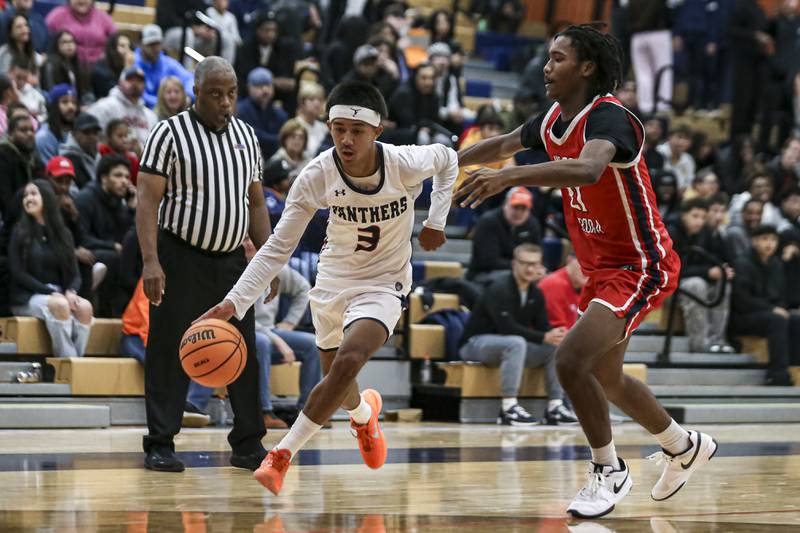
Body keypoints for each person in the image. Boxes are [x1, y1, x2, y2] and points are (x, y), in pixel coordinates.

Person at [455, 24, 717, 518]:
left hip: (640, 264)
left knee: (571, 361)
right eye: (548, 58)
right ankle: (683, 446)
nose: (546, 67)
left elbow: (586, 169)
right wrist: (442, 164)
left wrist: (509, 177)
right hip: (601, 269)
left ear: (587, 67)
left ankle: (609, 470)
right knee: (606, 376)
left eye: (557, 58)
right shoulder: (554, 117)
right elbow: (503, 143)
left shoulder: (612, 120)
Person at [197, 80, 458, 495]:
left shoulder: (404, 162)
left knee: (350, 359)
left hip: (384, 282)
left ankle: (280, 455)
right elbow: (276, 249)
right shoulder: (316, 175)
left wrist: (436, 221)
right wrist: (233, 304)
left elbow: (448, 160)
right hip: (333, 281)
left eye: (356, 131)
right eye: (338, 129)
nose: (346, 139)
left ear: (377, 131)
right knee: (338, 381)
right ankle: (362, 417)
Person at [136, 57, 271, 473]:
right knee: (167, 351)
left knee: (242, 350)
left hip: (232, 262)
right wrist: (151, 262)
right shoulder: (168, 134)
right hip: (180, 257)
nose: (225, 103)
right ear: (197, 92)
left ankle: (248, 444)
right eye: (215, 94)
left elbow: (256, 202)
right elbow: (146, 201)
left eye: (231, 94)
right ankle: (160, 442)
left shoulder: (248, 136)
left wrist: (267, 261)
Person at [459, 243, 578, 426]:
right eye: (525, 263)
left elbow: (542, 328)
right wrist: (542, 336)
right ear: (514, 263)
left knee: (554, 346)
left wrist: (554, 334)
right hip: (475, 344)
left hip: (511, 347)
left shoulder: (536, 294)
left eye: (534, 264)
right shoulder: (499, 288)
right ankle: (508, 408)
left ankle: (555, 406)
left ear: (540, 266)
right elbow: (506, 327)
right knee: (516, 342)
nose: (530, 268)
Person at [8, 180, 93, 357]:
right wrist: (49, 292)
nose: (28, 198)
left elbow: (75, 274)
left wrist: (71, 291)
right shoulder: (19, 231)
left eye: (33, 194)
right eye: (25, 195)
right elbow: (17, 273)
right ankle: (70, 364)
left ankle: (74, 364)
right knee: (61, 305)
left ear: (46, 198)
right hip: (27, 296)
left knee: (85, 308)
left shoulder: (64, 234)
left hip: (59, 294)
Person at [730, 224, 800, 385]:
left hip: (767, 314)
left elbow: (782, 295)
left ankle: (795, 371)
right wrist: (773, 309)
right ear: (754, 241)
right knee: (777, 320)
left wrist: (783, 309)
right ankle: (777, 374)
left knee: (795, 320)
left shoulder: (776, 264)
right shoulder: (742, 263)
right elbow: (742, 301)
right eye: (764, 239)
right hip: (742, 317)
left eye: (773, 240)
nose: (769, 244)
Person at [667, 198, 735, 353]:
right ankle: (699, 343)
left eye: (703, 217)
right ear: (684, 215)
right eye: (695, 216)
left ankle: (718, 340)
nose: (699, 221)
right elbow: (672, 270)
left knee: (723, 283)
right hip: (666, 286)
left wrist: (721, 270)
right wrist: (707, 272)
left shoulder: (705, 232)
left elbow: (716, 259)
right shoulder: (670, 231)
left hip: (690, 281)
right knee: (696, 284)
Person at [75, 154, 135, 317]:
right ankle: (106, 313)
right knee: (114, 258)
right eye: (118, 175)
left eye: (127, 177)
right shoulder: (85, 198)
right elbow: (81, 239)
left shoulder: (119, 203)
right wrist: (112, 246)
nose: (124, 181)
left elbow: (127, 239)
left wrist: (132, 210)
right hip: (83, 255)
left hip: (109, 255)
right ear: (104, 178)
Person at [467, 187, 542, 284]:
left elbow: (538, 252)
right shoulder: (488, 221)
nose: (518, 213)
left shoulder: (532, 224)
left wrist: (538, 268)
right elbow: (488, 261)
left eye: (523, 209)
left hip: (520, 270)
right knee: (511, 280)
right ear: (505, 204)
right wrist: (522, 267)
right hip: (483, 274)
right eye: (515, 207)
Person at [88, 66, 158, 150]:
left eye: (139, 81)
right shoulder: (104, 107)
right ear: (120, 82)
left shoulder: (150, 116)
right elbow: (91, 136)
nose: (135, 84)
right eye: (130, 80)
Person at [134, 24, 194, 110]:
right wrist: (164, 103)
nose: (155, 48)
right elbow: (137, 93)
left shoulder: (168, 62)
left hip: (168, 110)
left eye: (157, 43)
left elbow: (189, 79)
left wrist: (187, 96)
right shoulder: (134, 63)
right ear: (141, 45)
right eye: (150, 44)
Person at [237, 67, 288, 162]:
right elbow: (251, 137)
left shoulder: (279, 113)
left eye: (268, 85)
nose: (265, 90)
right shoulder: (240, 110)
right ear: (249, 88)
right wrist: (277, 140)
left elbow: (285, 137)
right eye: (259, 86)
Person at [44, 0, 116, 66]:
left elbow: (115, 42)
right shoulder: (56, 16)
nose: (82, 1)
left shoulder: (104, 18)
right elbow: (45, 43)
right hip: (65, 66)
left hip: (99, 67)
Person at [0, 113, 42, 216]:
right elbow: (6, 199)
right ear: (10, 135)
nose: (29, 134)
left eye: (32, 130)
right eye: (23, 130)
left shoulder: (32, 155)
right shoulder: (3, 156)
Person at [538, 252, 588, 330]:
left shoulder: (585, 286)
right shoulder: (554, 284)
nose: (588, 270)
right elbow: (559, 329)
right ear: (570, 260)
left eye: (594, 266)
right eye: (585, 263)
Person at [40, 30, 92, 102]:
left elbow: (85, 92)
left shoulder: (77, 65)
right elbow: (51, 91)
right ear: (57, 45)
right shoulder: (51, 63)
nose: (69, 45)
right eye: (64, 42)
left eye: (71, 41)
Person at [36, 84, 77, 165]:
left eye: (74, 102)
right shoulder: (44, 137)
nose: (71, 107)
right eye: (65, 102)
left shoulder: (76, 131)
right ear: (54, 106)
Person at [59, 112, 101, 188]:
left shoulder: (98, 152)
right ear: (74, 133)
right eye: (86, 132)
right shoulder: (67, 159)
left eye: (95, 133)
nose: (92, 137)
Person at [98, 119, 140, 185]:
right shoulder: (101, 151)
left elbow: (135, 182)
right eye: (120, 136)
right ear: (109, 137)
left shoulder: (132, 159)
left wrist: (139, 155)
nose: (124, 140)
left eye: (126, 136)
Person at [294, 82, 329, 160]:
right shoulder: (294, 126)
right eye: (311, 99)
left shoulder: (325, 128)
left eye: (320, 100)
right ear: (302, 103)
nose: (317, 103)